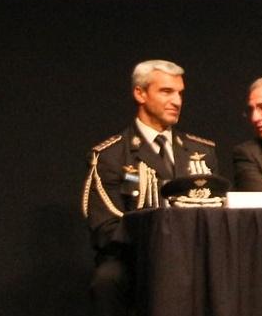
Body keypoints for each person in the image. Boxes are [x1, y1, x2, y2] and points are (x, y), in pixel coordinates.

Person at [84, 60, 220, 316]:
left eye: (180, 93)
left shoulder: (202, 152)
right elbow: (106, 227)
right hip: (137, 257)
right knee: (107, 279)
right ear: (140, 93)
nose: (177, 101)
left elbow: (217, 209)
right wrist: (160, 245)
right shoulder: (111, 155)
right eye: (166, 92)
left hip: (195, 255)